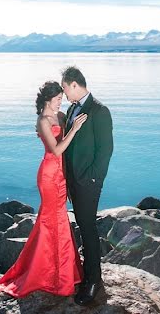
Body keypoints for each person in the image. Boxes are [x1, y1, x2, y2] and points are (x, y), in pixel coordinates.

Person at [0, 81, 88, 299]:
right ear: (48, 99)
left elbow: (67, 152)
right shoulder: (43, 121)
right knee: (50, 220)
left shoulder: (61, 116)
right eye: (58, 99)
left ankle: (63, 271)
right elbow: (56, 150)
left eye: (61, 99)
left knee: (60, 220)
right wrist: (74, 129)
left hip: (61, 175)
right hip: (48, 175)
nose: (60, 102)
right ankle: (50, 274)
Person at [61, 65, 114, 306]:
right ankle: (87, 272)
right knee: (83, 225)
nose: (64, 94)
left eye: (65, 88)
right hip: (74, 181)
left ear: (74, 84)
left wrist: (92, 178)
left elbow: (106, 150)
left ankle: (93, 281)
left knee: (88, 228)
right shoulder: (72, 108)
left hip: (88, 182)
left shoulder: (100, 111)